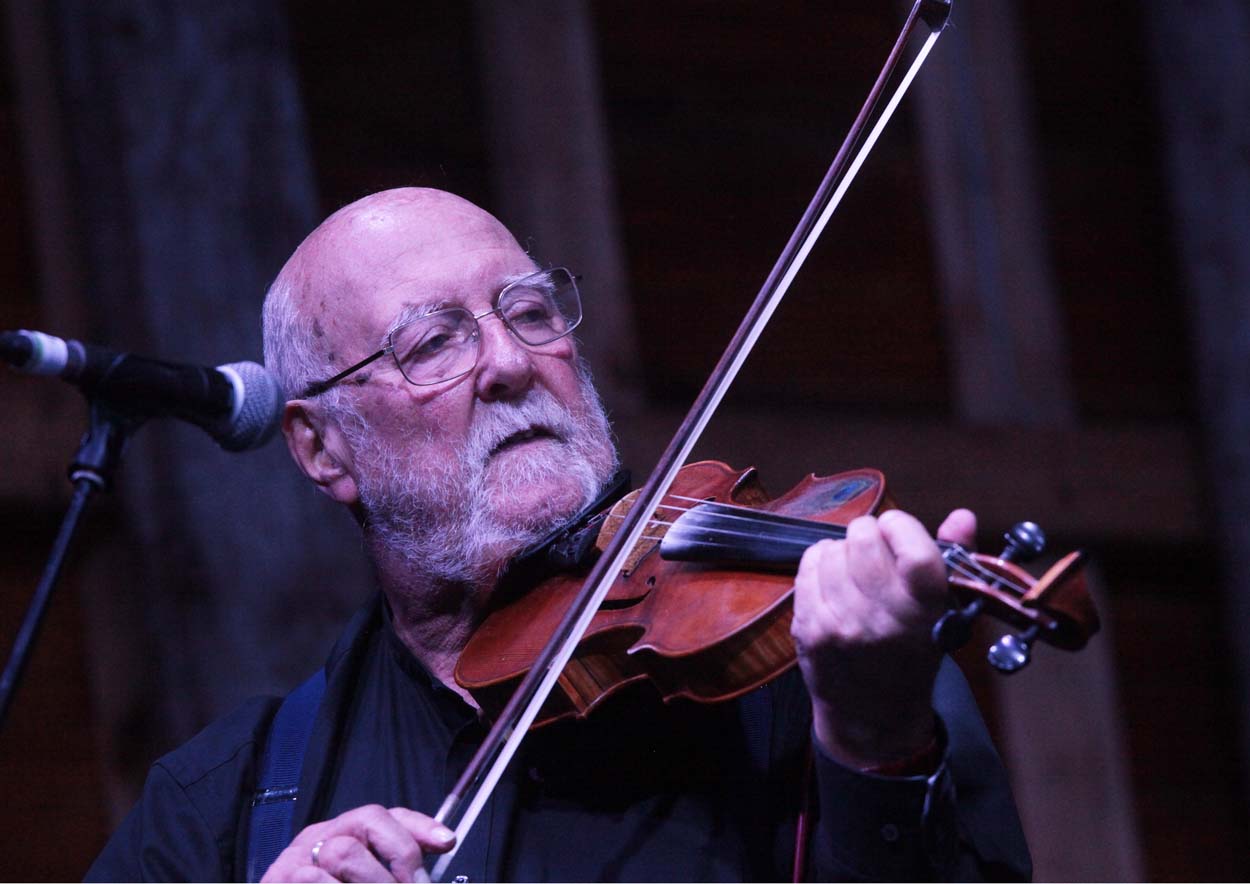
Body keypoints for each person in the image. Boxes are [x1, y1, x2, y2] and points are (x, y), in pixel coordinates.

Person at [86, 188, 1030, 882]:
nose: (509, 360)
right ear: (323, 448)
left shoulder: (815, 656)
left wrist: (874, 748)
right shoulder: (223, 804)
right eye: (432, 343)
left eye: (529, 311)